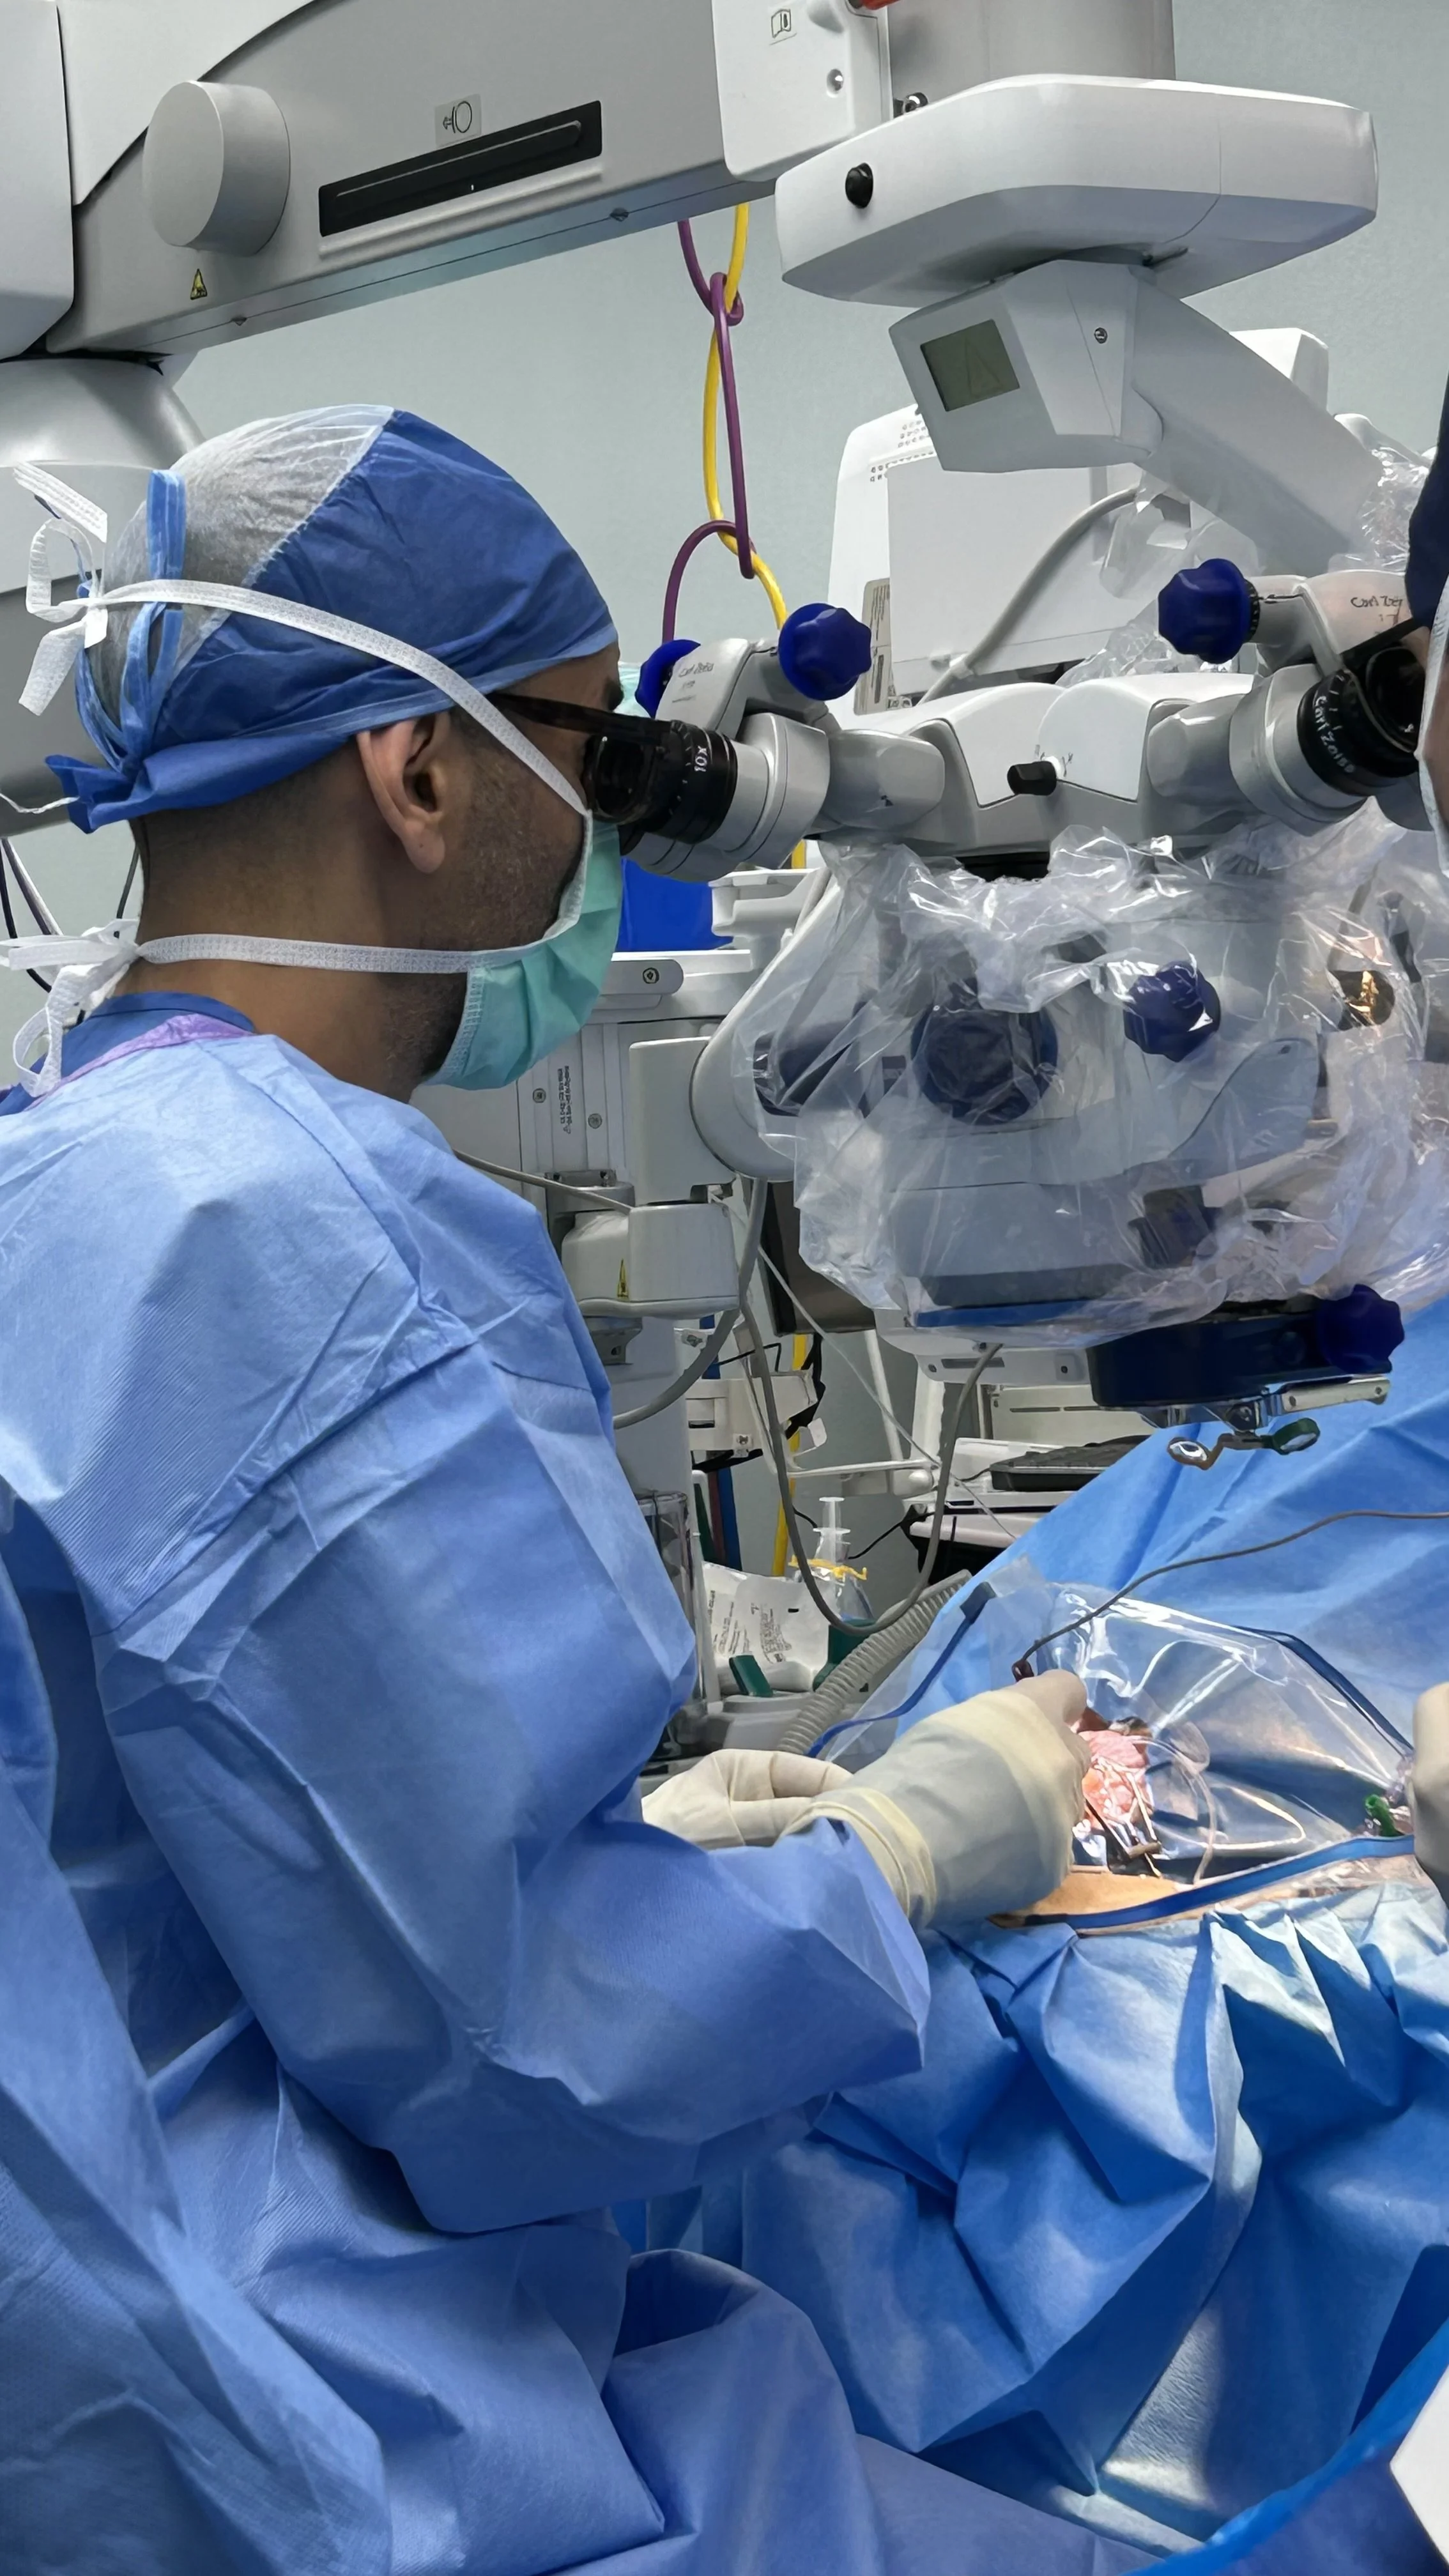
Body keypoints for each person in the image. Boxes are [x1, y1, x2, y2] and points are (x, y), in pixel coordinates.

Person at [0, 407, 1107, 2574]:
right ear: (415, 776)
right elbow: (523, 2034)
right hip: (337, 2432)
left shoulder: (67, 1169)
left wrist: (640, 1845)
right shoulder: (284, 1232)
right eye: (588, 754)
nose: (606, 828)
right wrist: (886, 1856)